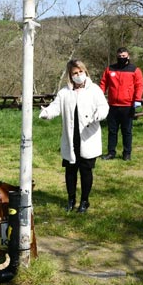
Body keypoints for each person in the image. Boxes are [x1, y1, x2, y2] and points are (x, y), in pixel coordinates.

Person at [39, 59, 110, 213]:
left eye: (80, 72)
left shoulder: (94, 89)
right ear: (70, 76)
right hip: (71, 139)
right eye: (75, 73)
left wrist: (99, 115)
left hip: (88, 136)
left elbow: (103, 107)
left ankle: (85, 201)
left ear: (85, 72)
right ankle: (71, 199)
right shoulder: (64, 92)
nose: (78, 75)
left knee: (86, 170)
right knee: (70, 170)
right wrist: (46, 113)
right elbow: (55, 107)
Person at [99, 47, 143, 161]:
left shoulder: (135, 70)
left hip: (127, 106)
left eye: (123, 56)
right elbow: (103, 84)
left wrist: (137, 100)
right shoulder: (110, 69)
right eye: (119, 56)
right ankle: (111, 153)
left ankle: (127, 153)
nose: (121, 58)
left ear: (128, 56)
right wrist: (99, 97)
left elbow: (139, 86)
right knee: (112, 131)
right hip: (112, 106)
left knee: (127, 131)